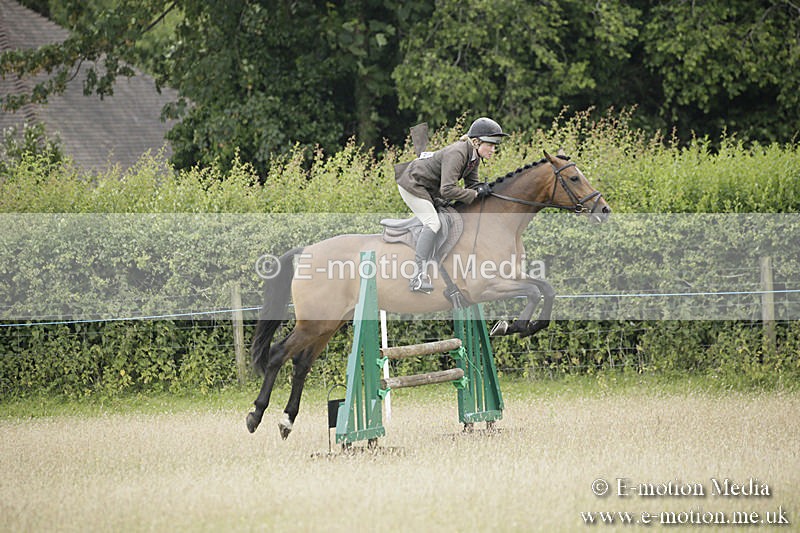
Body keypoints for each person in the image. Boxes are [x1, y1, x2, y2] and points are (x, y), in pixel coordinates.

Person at [395, 117, 508, 293]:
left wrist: (489, 189)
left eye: (496, 145)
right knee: (433, 223)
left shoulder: (474, 157)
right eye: (491, 144)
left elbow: (472, 186)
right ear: (476, 142)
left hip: (430, 189)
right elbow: (447, 189)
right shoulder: (458, 153)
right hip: (412, 184)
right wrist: (476, 193)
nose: (494, 149)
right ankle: (417, 277)